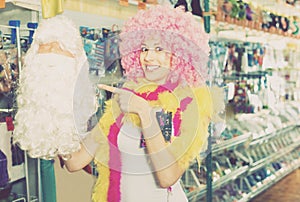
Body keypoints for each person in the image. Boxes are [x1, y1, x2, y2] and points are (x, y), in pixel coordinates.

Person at [64, 5, 214, 202]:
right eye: (144, 48)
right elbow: (75, 161)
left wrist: (144, 113)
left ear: (180, 54)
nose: (148, 57)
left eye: (159, 49)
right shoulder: (126, 98)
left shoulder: (190, 104)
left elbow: (167, 177)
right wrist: (54, 114)